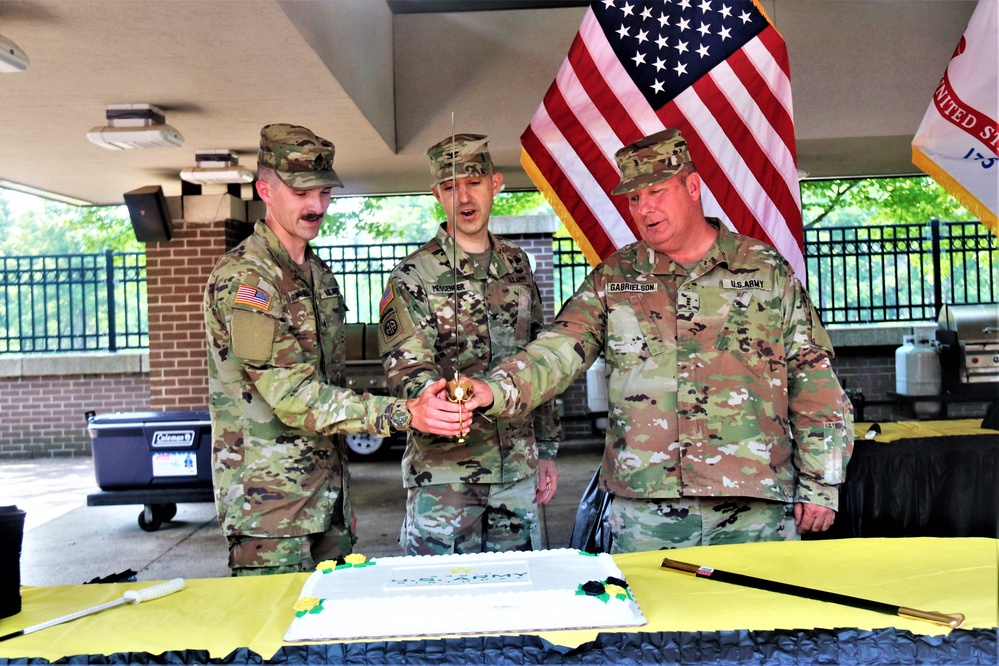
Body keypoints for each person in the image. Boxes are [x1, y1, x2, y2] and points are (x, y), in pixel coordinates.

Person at [464, 128, 854, 552]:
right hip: (647, 508)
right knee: (649, 617)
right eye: (634, 198)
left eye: (657, 192)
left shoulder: (764, 270)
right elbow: (558, 350)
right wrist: (492, 389)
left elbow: (812, 377)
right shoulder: (614, 279)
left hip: (753, 502)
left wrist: (822, 481)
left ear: (691, 187)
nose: (644, 208)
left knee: (758, 618)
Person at [204, 123, 472, 576]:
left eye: (324, 191)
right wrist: (405, 413)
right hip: (270, 509)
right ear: (265, 190)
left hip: (328, 497)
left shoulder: (317, 275)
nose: (315, 205)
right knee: (275, 640)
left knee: (333, 638)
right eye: (300, 191)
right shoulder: (248, 280)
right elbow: (291, 395)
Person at [377, 133, 562, 555]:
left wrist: (547, 448)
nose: (463, 196)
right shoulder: (414, 275)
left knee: (515, 599)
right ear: (436, 194)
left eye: (474, 182)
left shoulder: (516, 264)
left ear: (495, 184)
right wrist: (428, 397)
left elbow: (539, 356)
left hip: (516, 469)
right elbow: (405, 367)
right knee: (441, 603)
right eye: (449, 186)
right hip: (446, 474)